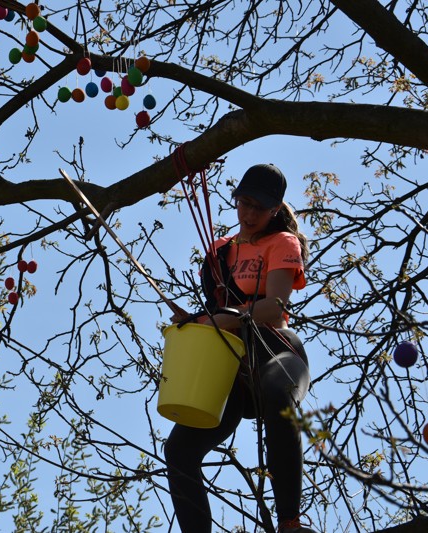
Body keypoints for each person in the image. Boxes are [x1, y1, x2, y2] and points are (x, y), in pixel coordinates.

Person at [163, 164, 316, 533]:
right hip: (230, 364)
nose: (248, 215)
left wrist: (220, 318)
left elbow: (274, 307)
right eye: (243, 204)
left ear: (276, 209)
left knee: (278, 394)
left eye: (258, 208)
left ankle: (290, 524)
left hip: (275, 350)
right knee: (179, 450)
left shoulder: (282, 243)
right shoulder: (220, 251)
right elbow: (217, 314)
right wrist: (198, 321)